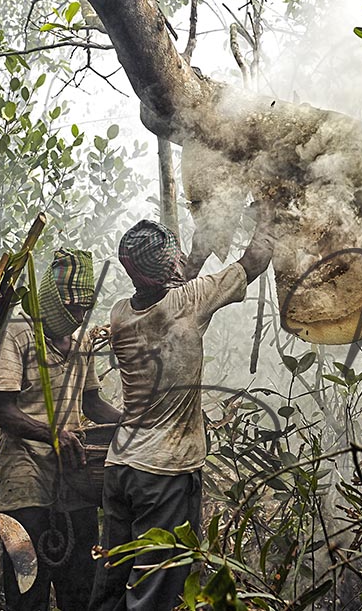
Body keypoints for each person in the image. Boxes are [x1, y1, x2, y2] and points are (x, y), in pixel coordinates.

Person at [89, 214, 273, 611]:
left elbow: (173, 278)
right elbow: (254, 261)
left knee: (114, 578)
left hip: (121, 465)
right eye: (174, 258)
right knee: (156, 588)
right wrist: (269, 211)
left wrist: (198, 247)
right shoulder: (188, 302)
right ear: (170, 266)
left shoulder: (121, 314)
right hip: (164, 471)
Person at [0, 248, 121, 611]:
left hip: (74, 476)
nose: (79, 317)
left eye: (84, 309)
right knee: (26, 588)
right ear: (52, 299)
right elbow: (2, 409)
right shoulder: (20, 333)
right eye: (72, 308)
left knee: (79, 585)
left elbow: (92, 402)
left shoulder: (81, 343)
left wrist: (130, 423)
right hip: (25, 477)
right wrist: (52, 435)